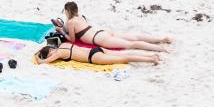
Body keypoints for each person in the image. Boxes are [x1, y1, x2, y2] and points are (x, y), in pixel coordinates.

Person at [55, 1, 172, 52]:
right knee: (134, 37)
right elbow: (77, 26)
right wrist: (63, 26)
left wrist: (62, 31)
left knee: (132, 45)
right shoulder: (80, 17)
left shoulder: (70, 23)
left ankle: (162, 49)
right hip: (102, 32)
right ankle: (161, 39)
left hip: (100, 39)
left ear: (67, 11)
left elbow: (73, 40)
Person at [35, 42, 163, 66]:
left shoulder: (59, 53)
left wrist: (37, 55)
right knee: (122, 55)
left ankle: (151, 59)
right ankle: (151, 56)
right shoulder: (64, 45)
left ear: (50, 52)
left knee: (124, 58)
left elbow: (41, 62)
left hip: (93, 57)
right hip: (96, 49)